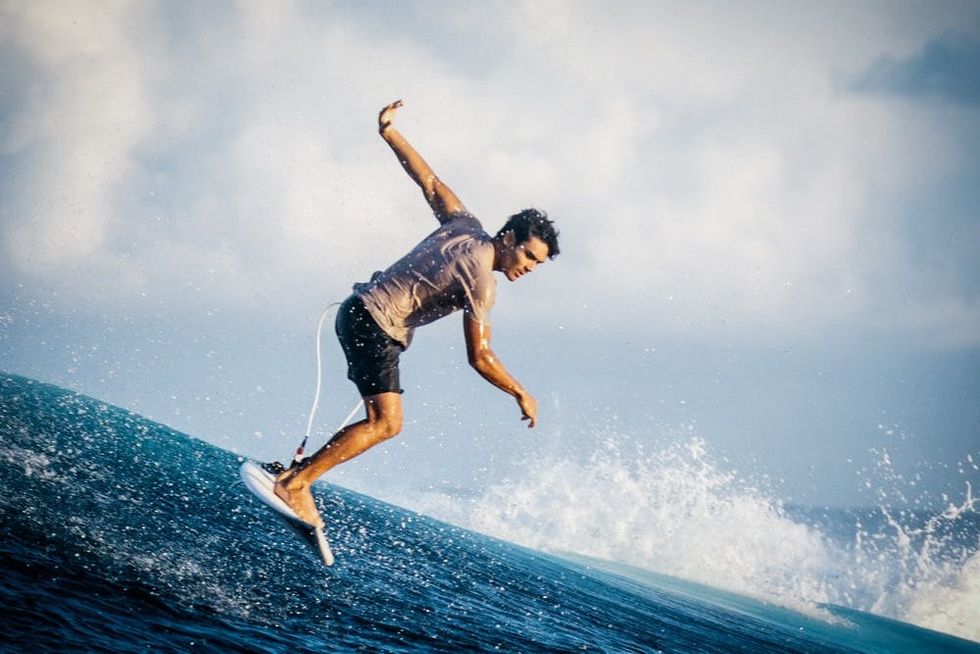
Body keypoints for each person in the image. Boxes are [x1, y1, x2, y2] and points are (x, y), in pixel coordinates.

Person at [274, 100, 560, 526]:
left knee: (383, 420)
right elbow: (480, 356)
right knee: (386, 423)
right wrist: (520, 392)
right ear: (509, 238)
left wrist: (389, 132)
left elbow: (429, 182)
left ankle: (295, 476)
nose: (530, 267)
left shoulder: (464, 224)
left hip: (356, 311)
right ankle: (295, 484)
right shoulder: (482, 280)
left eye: (538, 263)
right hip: (374, 324)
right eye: (529, 255)